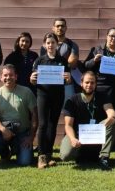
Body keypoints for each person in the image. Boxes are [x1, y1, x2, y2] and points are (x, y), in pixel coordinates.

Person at [60, 71, 115, 171]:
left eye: (92, 83)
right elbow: (68, 125)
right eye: (87, 82)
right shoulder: (72, 100)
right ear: (81, 83)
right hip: (78, 135)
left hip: (97, 135)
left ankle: (104, 158)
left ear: (95, 84)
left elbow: (111, 111)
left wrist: (111, 117)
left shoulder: (103, 97)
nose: (89, 85)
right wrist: (73, 139)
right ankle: (80, 154)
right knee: (65, 155)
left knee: (112, 121)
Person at [29, 32, 71, 169]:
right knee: (43, 124)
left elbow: (67, 80)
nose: (50, 45)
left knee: (52, 125)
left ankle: (48, 154)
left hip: (58, 95)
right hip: (43, 95)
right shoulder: (39, 61)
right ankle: (41, 156)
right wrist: (32, 79)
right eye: (48, 43)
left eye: (53, 42)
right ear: (44, 45)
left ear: (57, 44)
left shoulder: (63, 61)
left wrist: (68, 79)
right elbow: (33, 80)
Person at [0, 64, 37, 166]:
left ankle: (18, 151)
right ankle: (5, 154)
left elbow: (35, 114)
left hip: (22, 133)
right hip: (3, 132)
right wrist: (3, 129)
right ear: (1, 77)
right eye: (5, 75)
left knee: (25, 162)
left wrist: (31, 137)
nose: (8, 78)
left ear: (16, 77)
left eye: (11, 75)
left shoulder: (26, 91)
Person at [41, 18, 80, 99]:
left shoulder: (72, 45)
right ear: (53, 28)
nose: (60, 28)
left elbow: (71, 64)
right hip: (49, 83)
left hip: (66, 83)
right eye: (57, 26)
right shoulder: (44, 46)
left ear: (66, 28)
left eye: (62, 26)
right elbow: (43, 64)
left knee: (67, 106)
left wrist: (53, 62)